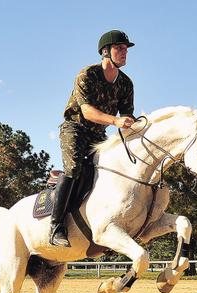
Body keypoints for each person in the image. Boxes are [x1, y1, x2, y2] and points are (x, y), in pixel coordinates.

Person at [50, 29, 137, 247]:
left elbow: (127, 115)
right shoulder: (87, 74)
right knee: (74, 168)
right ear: (105, 51)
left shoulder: (126, 84)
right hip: (75, 129)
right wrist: (116, 122)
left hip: (99, 134)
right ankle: (56, 225)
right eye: (119, 48)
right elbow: (87, 112)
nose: (124, 52)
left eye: (126, 49)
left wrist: (133, 126)